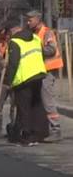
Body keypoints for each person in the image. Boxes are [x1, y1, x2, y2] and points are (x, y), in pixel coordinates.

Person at [4, 20, 48, 146]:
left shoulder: (15, 42)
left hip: (23, 79)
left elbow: (13, 64)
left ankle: (26, 136)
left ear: (12, 31)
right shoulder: (35, 38)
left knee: (24, 108)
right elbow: (42, 55)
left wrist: (10, 82)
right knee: (37, 105)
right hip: (38, 74)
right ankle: (38, 134)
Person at [26, 10, 64, 142]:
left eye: (30, 20)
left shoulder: (47, 32)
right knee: (40, 101)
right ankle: (42, 129)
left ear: (37, 19)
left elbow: (51, 49)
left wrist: (36, 50)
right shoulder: (34, 34)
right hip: (38, 71)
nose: (28, 22)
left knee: (48, 101)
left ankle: (56, 130)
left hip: (48, 71)